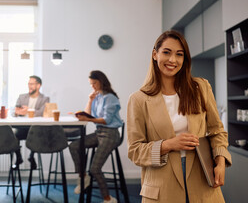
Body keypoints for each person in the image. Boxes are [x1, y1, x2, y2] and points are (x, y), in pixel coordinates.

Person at [127, 30, 232, 203]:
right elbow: (135, 151)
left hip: (202, 178)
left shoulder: (201, 87)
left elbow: (217, 130)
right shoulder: (138, 99)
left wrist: (220, 161)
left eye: (179, 54)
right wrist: (168, 145)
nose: (172, 60)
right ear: (155, 54)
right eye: (166, 52)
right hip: (161, 186)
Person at [69, 70, 123, 203]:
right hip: (99, 133)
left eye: (94, 83)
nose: (92, 86)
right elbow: (88, 115)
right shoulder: (97, 96)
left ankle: (108, 198)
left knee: (95, 168)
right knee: (74, 146)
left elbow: (106, 120)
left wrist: (90, 119)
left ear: (101, 81)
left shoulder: (110, 97)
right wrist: (90, 100)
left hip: (110, 134)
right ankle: (83, 177)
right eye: (90, 84)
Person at [13, 75, 50, 168]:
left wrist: (29, 110)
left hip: (35, 128)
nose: (30, 86)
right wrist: (17, 112)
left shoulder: (45, 99)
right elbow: (14, 112)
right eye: (29, 84)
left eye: (32, 84)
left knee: (36, 133)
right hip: (21, 128)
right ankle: (18, 157)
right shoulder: (22, 97)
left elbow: (42, 113)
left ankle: (31, 156)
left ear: (38, 85)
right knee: (12, 133)